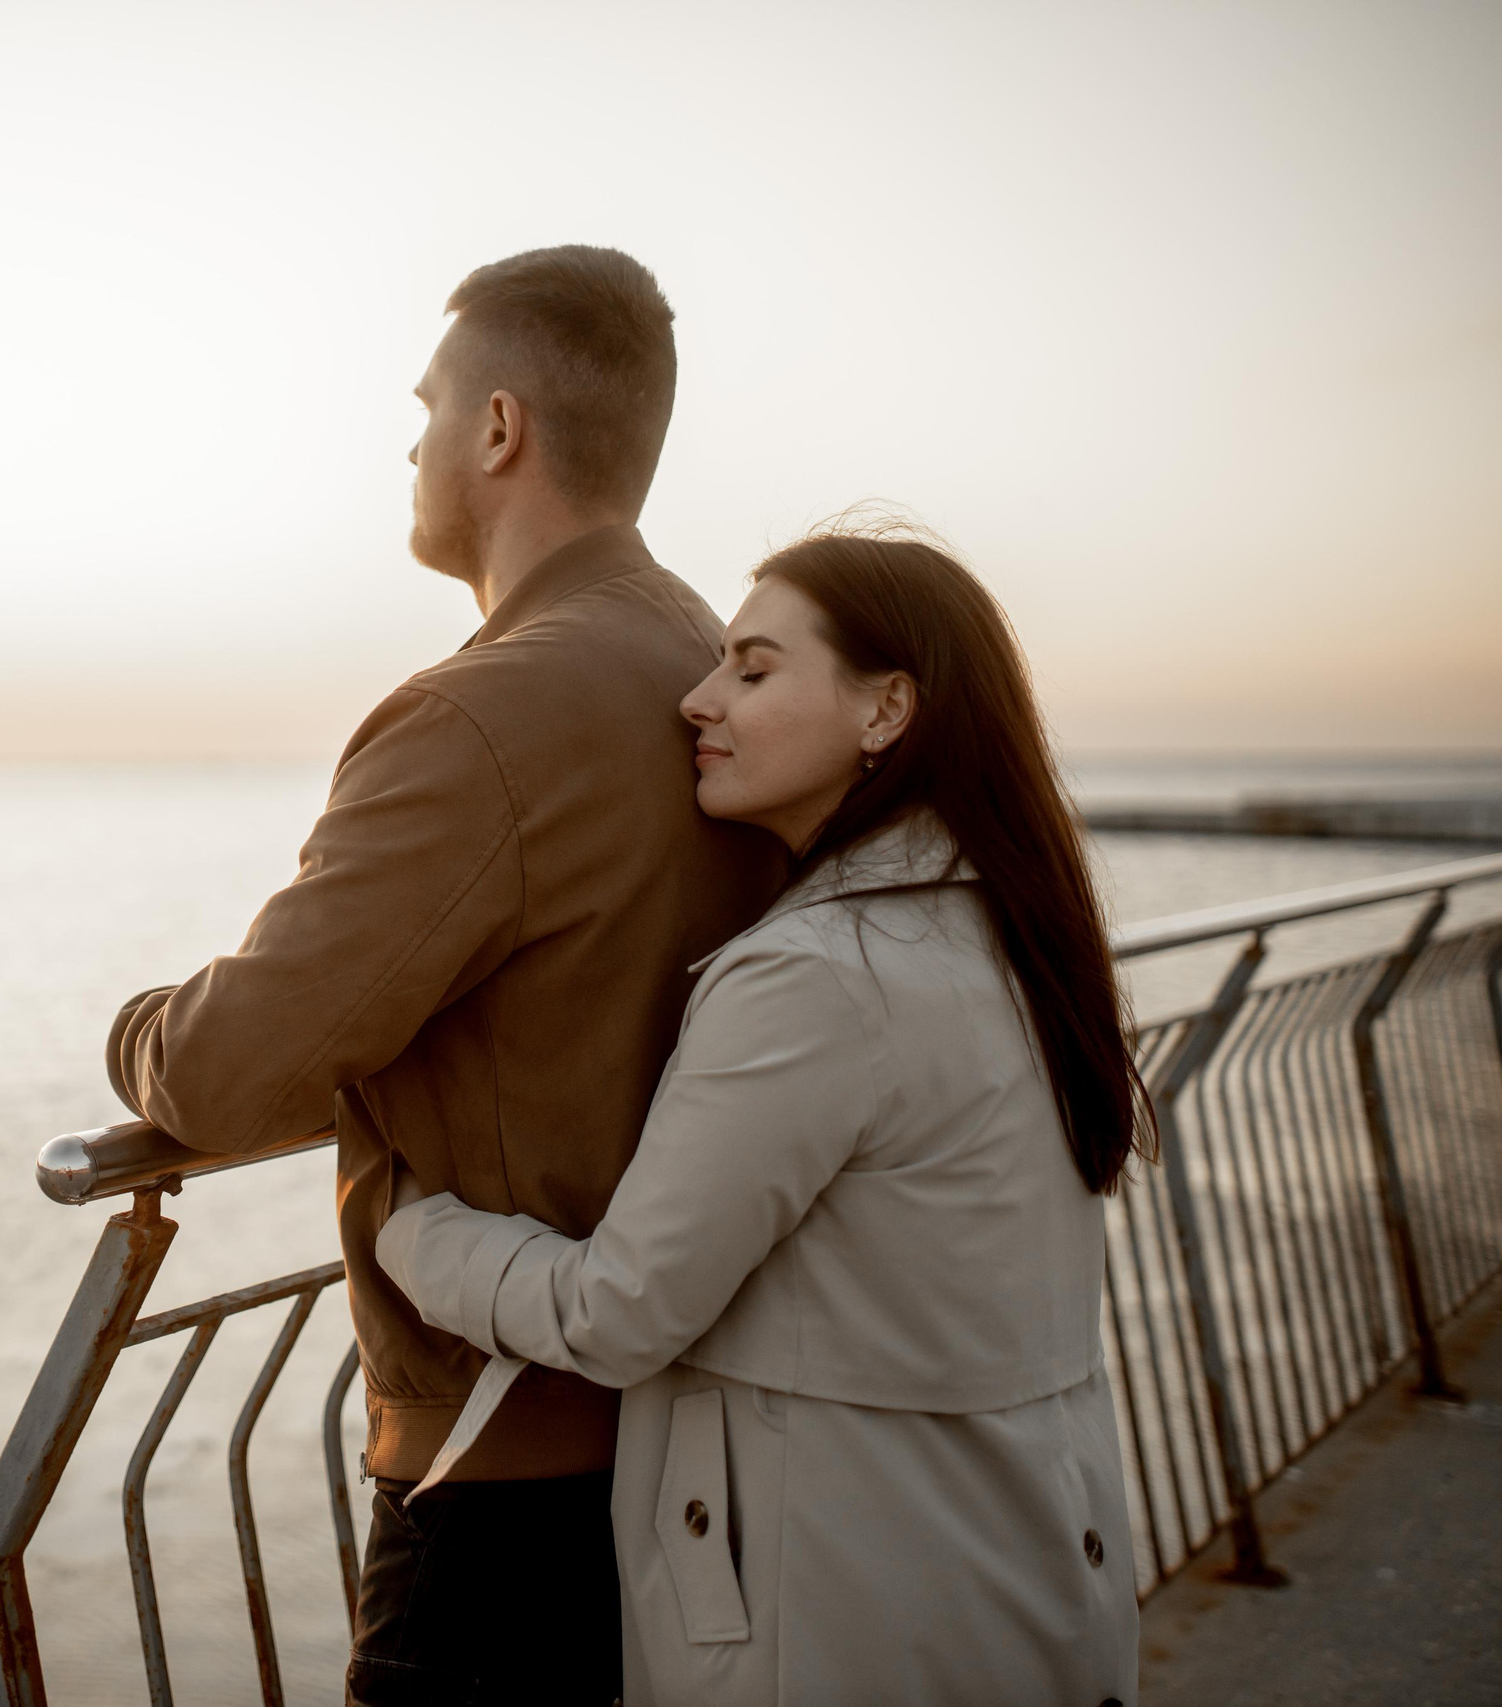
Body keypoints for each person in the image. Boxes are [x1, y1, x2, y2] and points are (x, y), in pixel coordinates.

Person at [102, 245, 784, 1702]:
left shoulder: (483, 713)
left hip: (503, 1476)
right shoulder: (715, 666)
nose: (409, 440)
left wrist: (134, 1033)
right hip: (703, 1442)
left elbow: (225, 1070)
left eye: (427, 405)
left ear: (497, 429)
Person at [375, 524, 1150, 1705]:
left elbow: (617, 1313)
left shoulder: (817, 973)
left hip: (841, 1611)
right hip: (1020, 1563)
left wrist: (408, 1231)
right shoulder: (1011, 932)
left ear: (886, 710)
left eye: (751, 668)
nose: (695, 700)